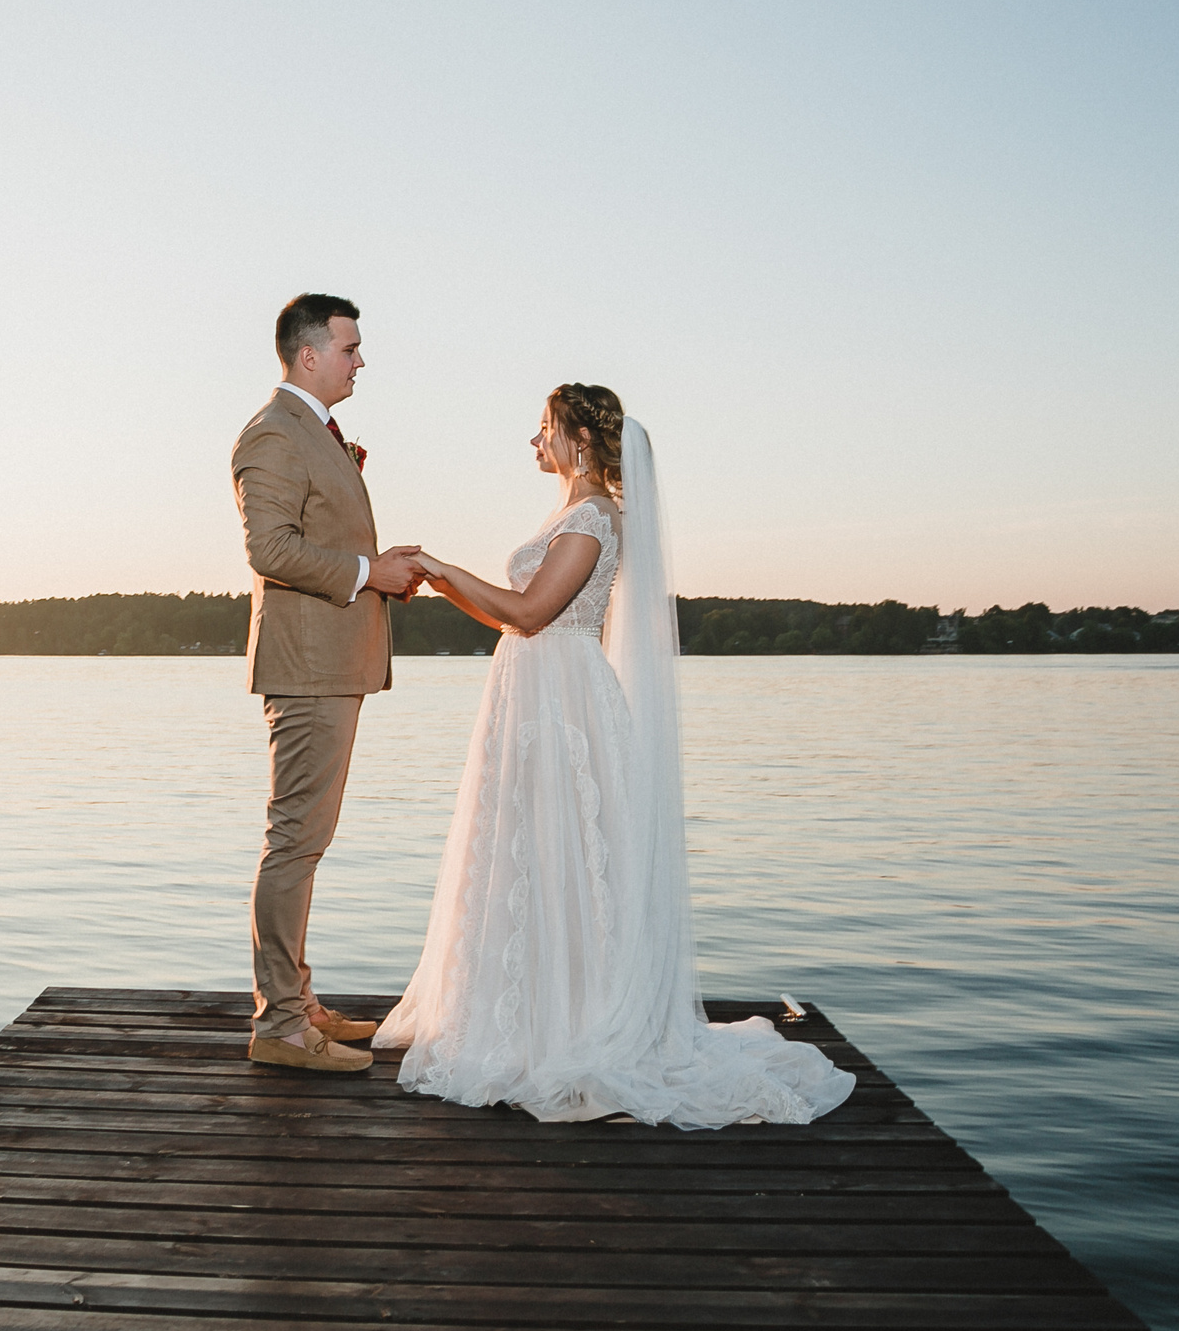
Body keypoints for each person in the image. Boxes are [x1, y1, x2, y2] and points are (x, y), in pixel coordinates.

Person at [374, 383, 855, 1126]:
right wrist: (440, 584)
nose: (534, 440)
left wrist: (438, 567)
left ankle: (575, 1022)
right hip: (531, 690)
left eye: (545, 427)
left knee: (570, 850)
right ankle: (527, 1011)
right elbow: (511, 617)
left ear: (580, 440)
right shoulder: (569, 514)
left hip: (564, 700)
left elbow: (532, 612)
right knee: (529, 848)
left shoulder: (596, 517)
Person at [230, 293, 426, 1072]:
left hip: (332, 663)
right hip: (307, 667)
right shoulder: (274, 433)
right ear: (308, 354)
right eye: (350, 347)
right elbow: (270, 548)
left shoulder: (314, 431)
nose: (360, 360)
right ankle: (279, 1026)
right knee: (294, 841)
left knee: (306, 841)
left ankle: (298, 1001)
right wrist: (368, 571)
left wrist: (379, 573)